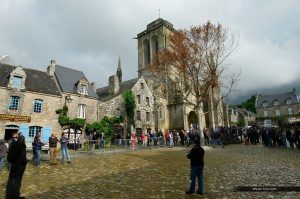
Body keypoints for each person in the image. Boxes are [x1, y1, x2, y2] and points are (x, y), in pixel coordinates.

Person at [6, 132, 27, 199]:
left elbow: (9, 156)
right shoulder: (22, 145)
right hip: (20, 165)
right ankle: (15, 196)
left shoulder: (13, 143)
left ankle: (9, 196)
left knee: (11, 180)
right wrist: (24, 162)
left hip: (14, 164)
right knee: (17, 181)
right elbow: (23, 157)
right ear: (23, 140)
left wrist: (11, 161)